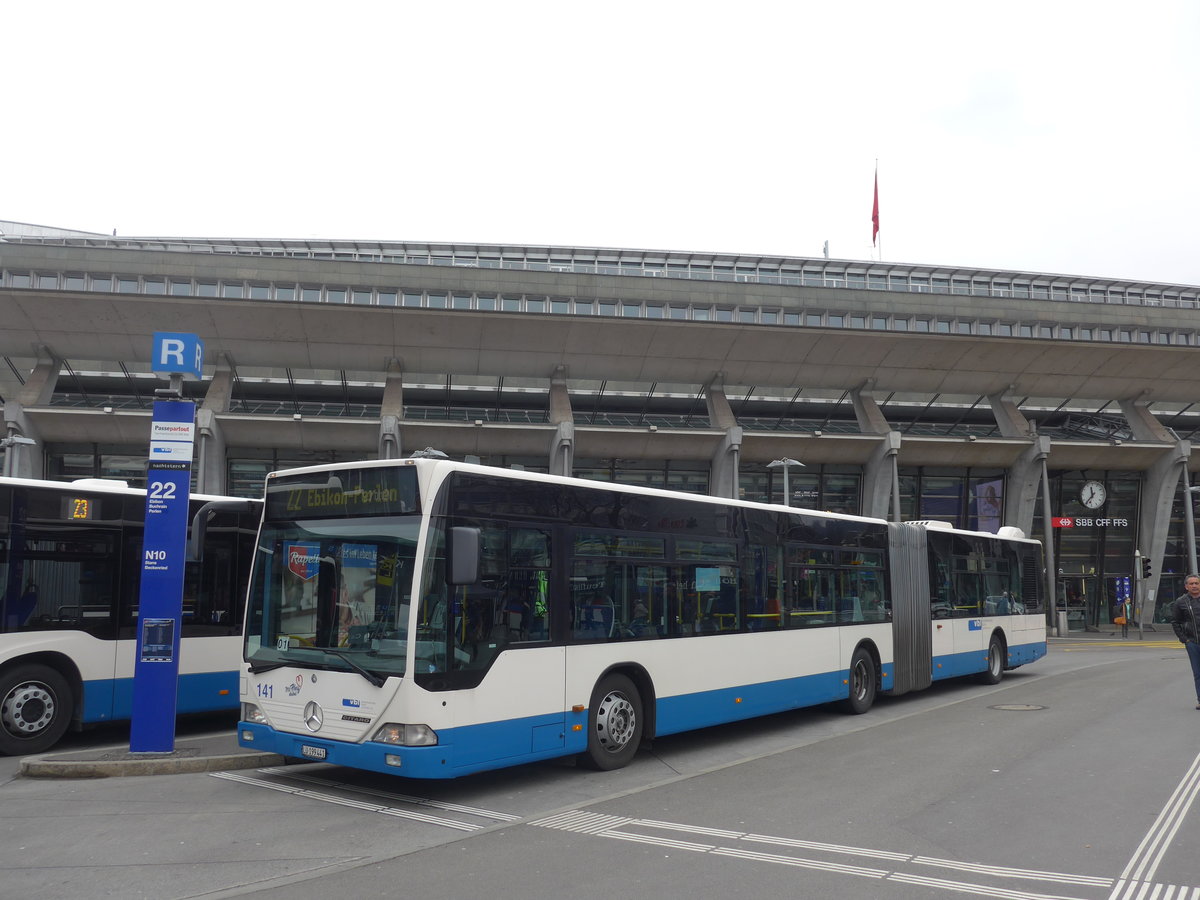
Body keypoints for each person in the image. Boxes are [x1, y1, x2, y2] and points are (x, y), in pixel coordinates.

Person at [1169, 574, 1200, 710]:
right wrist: (1184, 639)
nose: (1194, 586)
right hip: (1193, 642)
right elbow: (1175, 622)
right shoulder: (1181, 602)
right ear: (1186, 586)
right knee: (1198, 673)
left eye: (1196, 583)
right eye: (1191, 584)